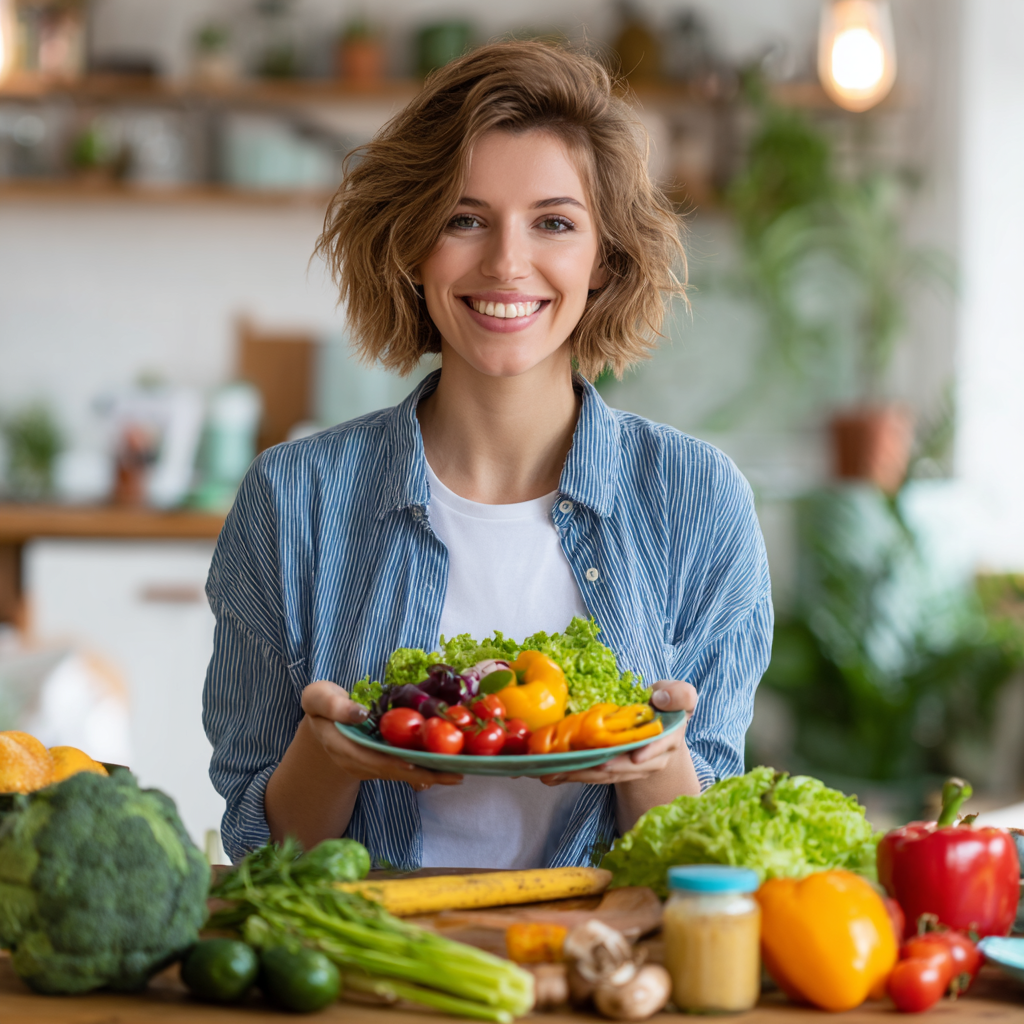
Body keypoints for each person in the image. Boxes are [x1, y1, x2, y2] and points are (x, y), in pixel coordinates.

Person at [203, 41, 772, 870]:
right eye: (464, 219)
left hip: (600, 978)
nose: (508, 263)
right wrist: (327, 755)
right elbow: (263, 844)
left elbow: (709, 858)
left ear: (604, 259)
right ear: (411, 244)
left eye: (554, 222)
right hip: (372, 974)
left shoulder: (697, 499)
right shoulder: (293, 500)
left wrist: (658, 762)